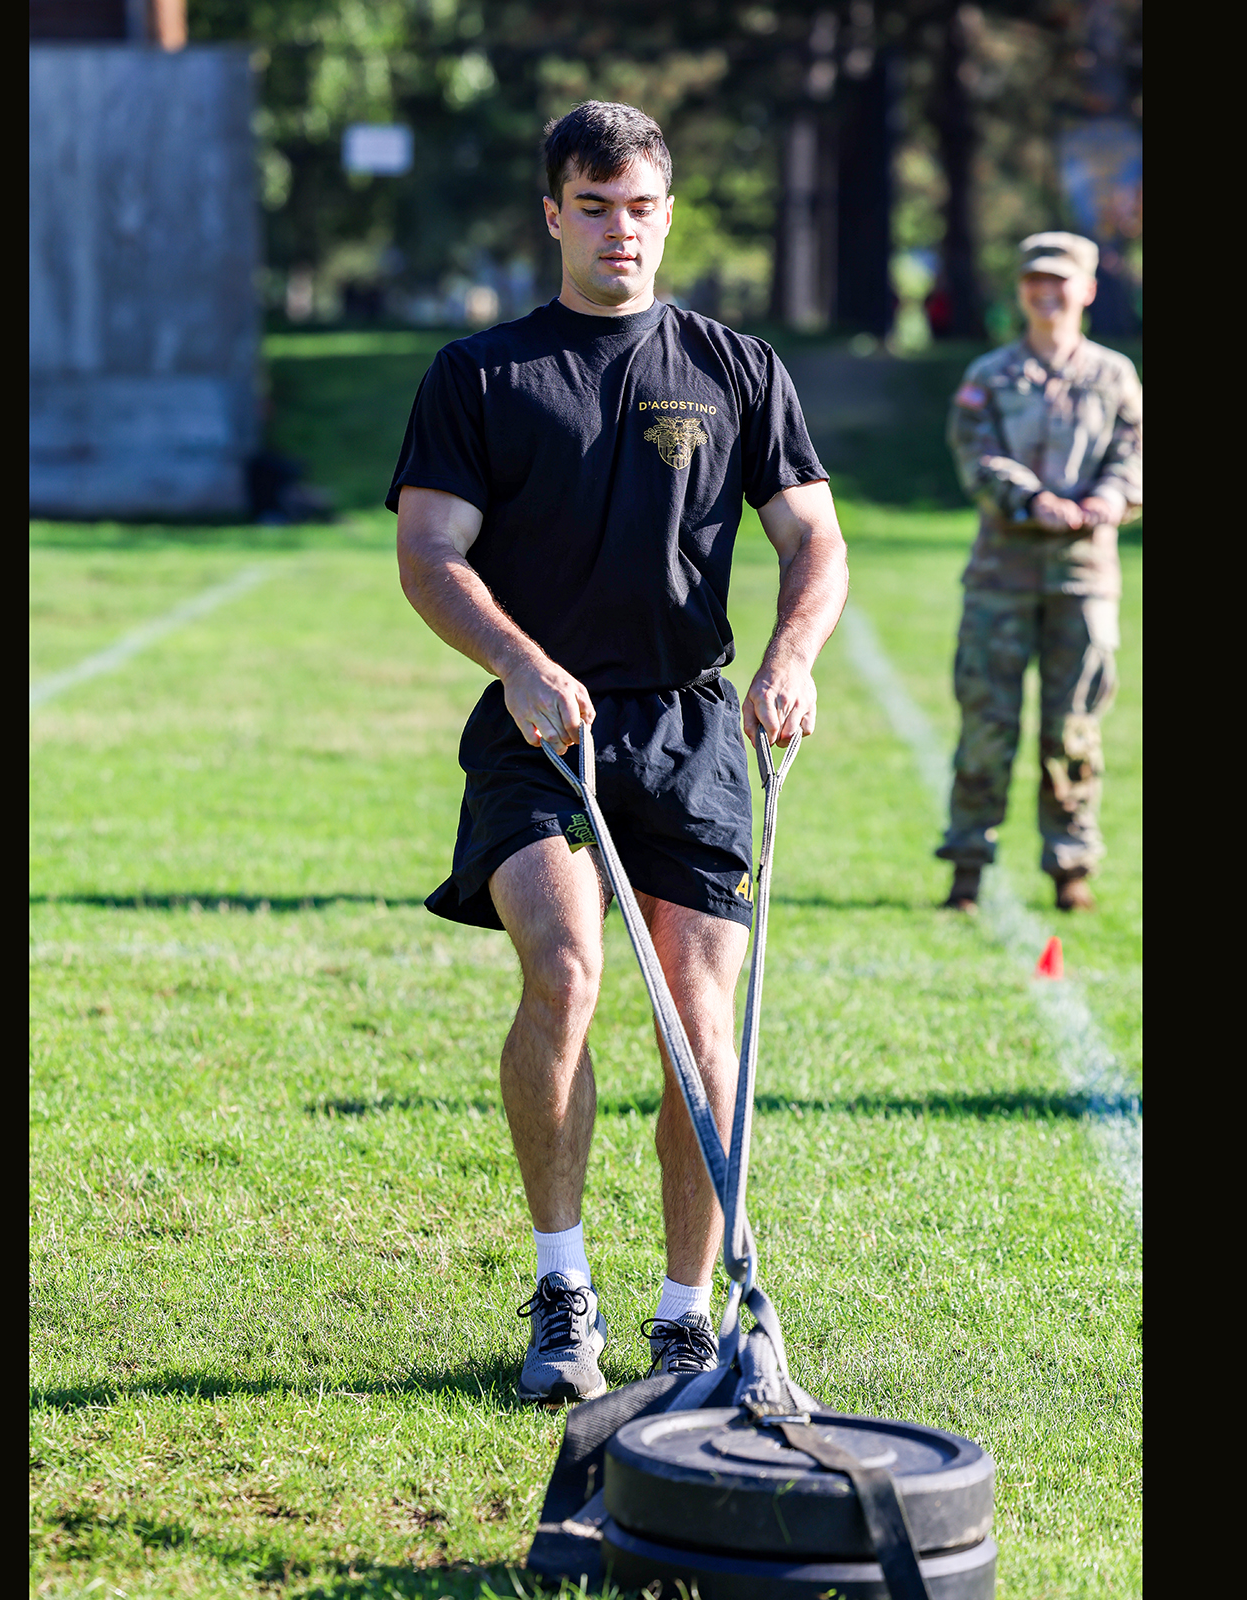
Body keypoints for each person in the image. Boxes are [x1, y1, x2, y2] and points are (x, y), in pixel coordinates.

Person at [388, 101, 849, 1402]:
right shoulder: (482, 374)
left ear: (667, 209)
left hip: (691, 724)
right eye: (593, 206)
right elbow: (429, 556)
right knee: (570, 971)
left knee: (706, 1040)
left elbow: (814, 542)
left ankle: (687, 1316)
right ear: (553, 214)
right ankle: (561, 1290)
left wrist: (791, 659)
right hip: (540, 726)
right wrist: (519, 664)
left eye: (640, 205)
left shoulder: (735, 365)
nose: (620, 230)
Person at [937, 232, 1143, 914]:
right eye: (1034, 280)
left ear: (1086, 289)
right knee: (987, 726)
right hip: (1000, 578)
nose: (1046, 292)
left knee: (1074, 730)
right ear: (1021, 290)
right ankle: (967, 865)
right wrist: (1032, 498)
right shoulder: (990, 375)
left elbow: (1132, 452)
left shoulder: (1114, 375)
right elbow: (975, 456)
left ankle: (1070, 868)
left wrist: (1110, 498)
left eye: (1060, 280)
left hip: (1084, 580)